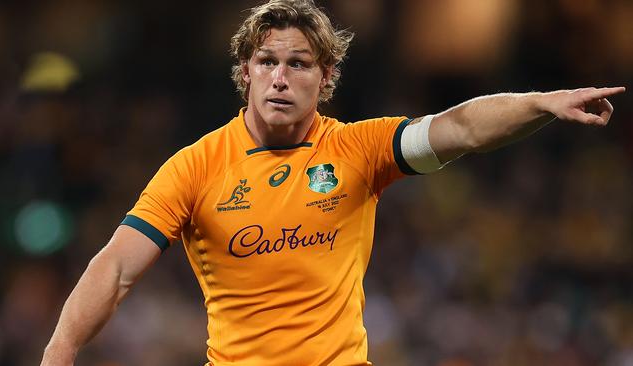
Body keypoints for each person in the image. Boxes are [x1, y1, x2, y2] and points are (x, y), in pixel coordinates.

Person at [40, 0, 625, 365]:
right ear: (244, 73)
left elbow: (462, 129)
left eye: (298, 64)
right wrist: (60, 351)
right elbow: (115, 268)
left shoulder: (356, 150)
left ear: (326, 78)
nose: (280, 77)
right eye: (267, 61)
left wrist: (539, 103)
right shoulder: (195, 166)